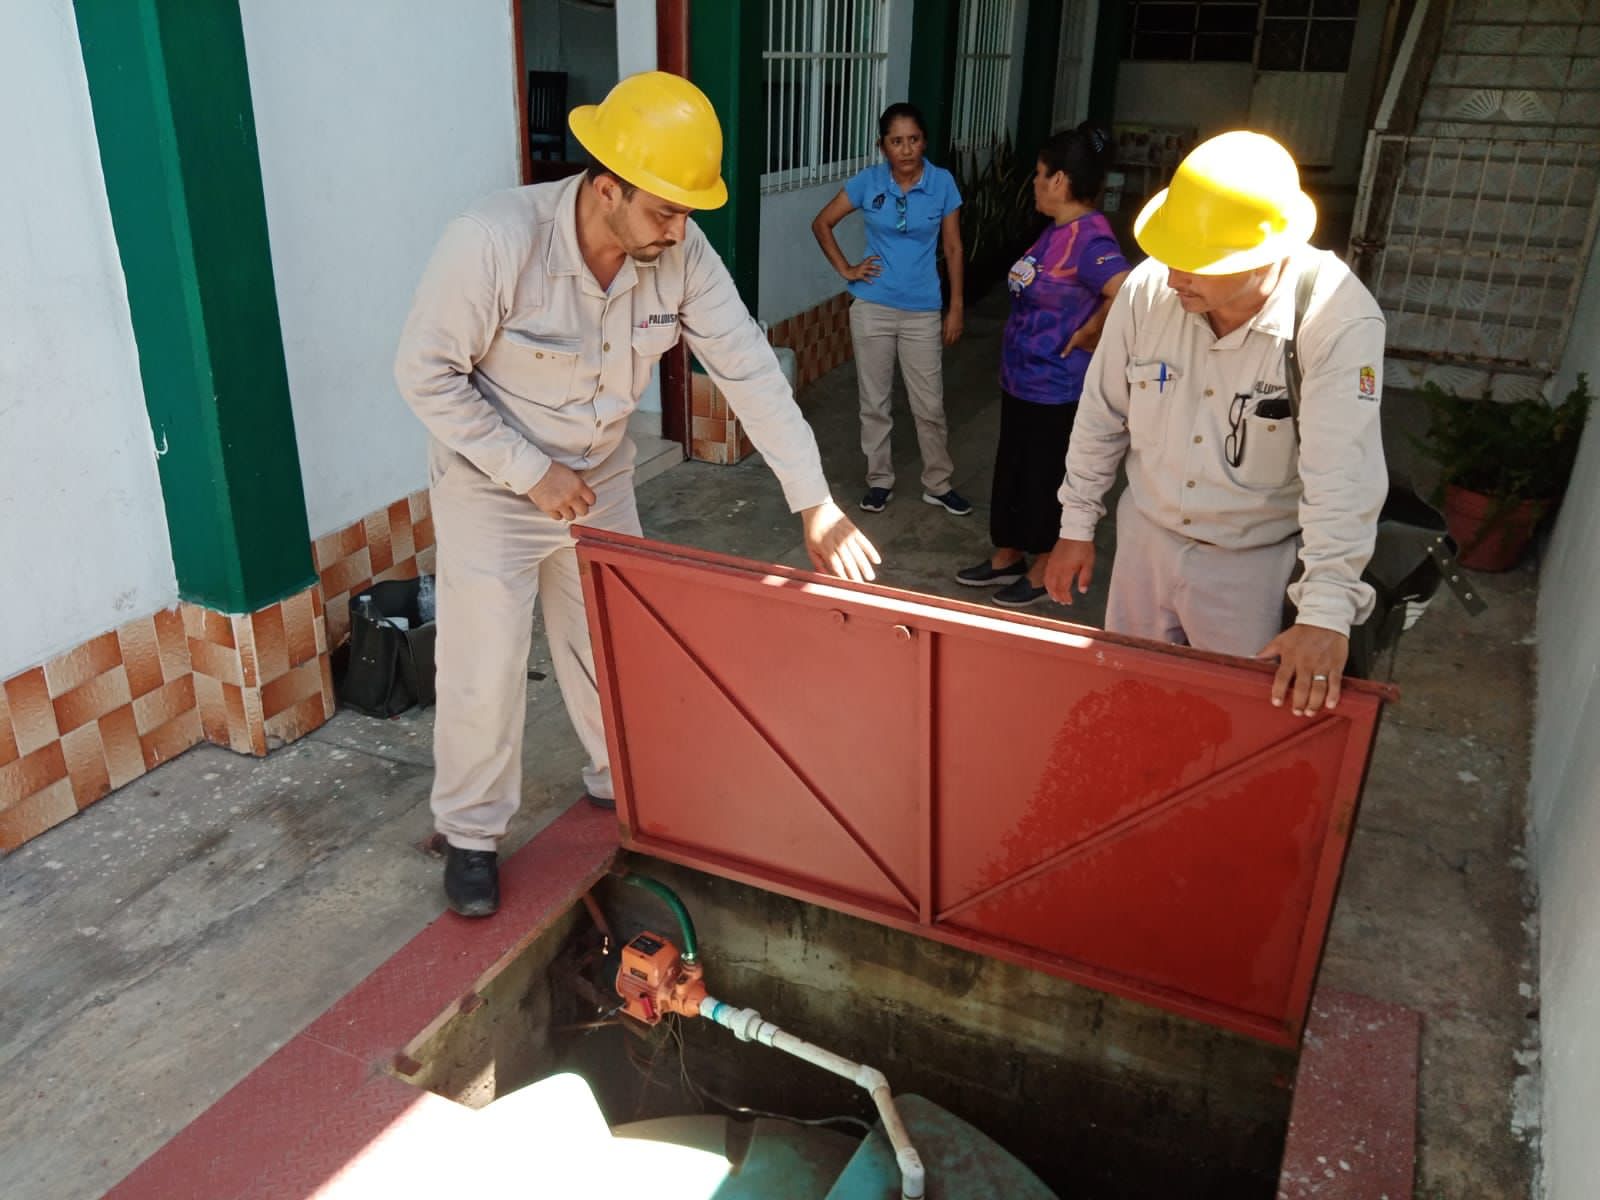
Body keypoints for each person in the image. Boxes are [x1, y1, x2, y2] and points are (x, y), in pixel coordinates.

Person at [395, 72, 880, 918]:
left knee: (612, 639)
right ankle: (471, 834)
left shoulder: (678, 252)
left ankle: (618, 780)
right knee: (485, 662)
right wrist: (530, 472)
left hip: (601, 476)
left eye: (688, 213)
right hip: (495, 488)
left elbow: (749, 369)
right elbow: (425, 376)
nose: (679, 230)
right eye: (663, 210)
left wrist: (814, 500)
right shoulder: (495, 241)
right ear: (606, 186)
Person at [1043, 130, 1387, 718]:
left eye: (1197, 264)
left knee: (1235, 723)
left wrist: (1325, 612)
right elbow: (1102, 411)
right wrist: (1077, 523)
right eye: (1172, 255)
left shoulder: (1335, 318)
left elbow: (1342, 470)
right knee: (1132, 700)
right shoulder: (1150, 290)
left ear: (1265, 258)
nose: (1175, 278)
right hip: (1145, 539)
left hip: (1252, 560)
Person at [955, 124, 1129, 608]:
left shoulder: (1089, 239)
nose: (1032, 182)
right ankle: (1006, 554)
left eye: (1038, 174)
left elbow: (1125, 288)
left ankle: (1043, 564)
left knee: (1046, 478)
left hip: (1058, 387)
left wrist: (1092, 330)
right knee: (1013, 471)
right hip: (1023, 380)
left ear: (1060, 180)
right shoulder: (1056, 232)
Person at [811, 102, 971, 517]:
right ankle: (879, 480)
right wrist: (847, 268)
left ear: (924, 142)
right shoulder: (869, 182)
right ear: (883, 145)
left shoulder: (941, 184)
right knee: (874, 402)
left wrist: (955, 307)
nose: (905, 149)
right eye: (896, 141)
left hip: (922, 310)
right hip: (873, 307)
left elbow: (953, 247)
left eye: (913, 139)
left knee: (929, 405)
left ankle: (938, 483)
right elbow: (822, 222)